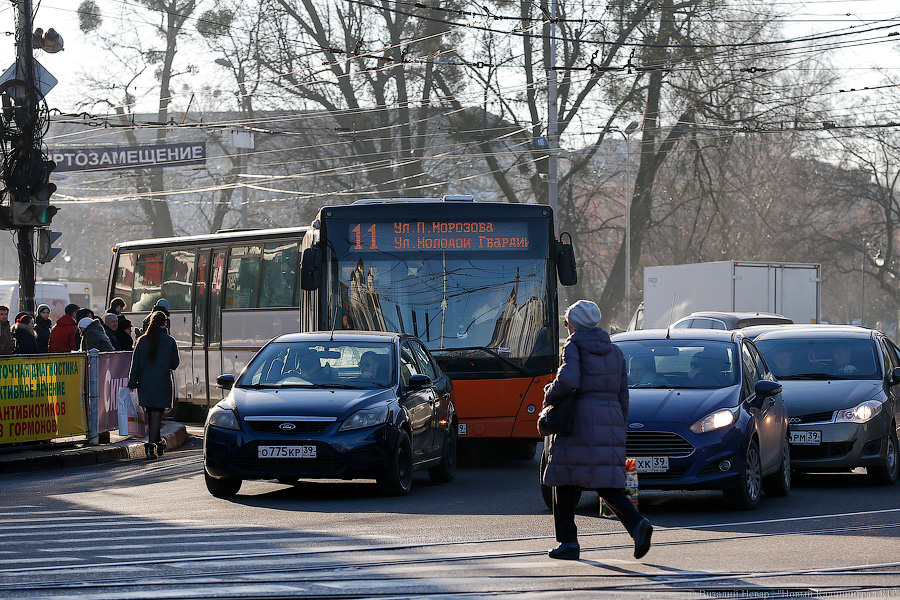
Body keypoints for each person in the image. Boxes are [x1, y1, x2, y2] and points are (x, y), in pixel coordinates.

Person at [542, 299, 652, 561]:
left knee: (564, 481)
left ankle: (568, 542)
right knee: (605, 481)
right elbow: (623, 395)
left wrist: (549, 394)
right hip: (609, 421)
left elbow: (568, 379)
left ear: (574, 325)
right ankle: (637, 525)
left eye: (567, 322)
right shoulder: (615, 352)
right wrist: (618, 426)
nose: (567, 327)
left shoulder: (574, 344)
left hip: (579, 421)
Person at [128, 311, 180, 459]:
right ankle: (151, 445)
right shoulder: (169, 341)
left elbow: (135, 364)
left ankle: (156, 444)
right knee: (157, 413)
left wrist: (132, 382)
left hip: (145, 384)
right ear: (164, 323)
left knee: (151, 413)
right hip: (162, 383)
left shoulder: (142, 341)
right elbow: (175, 364)